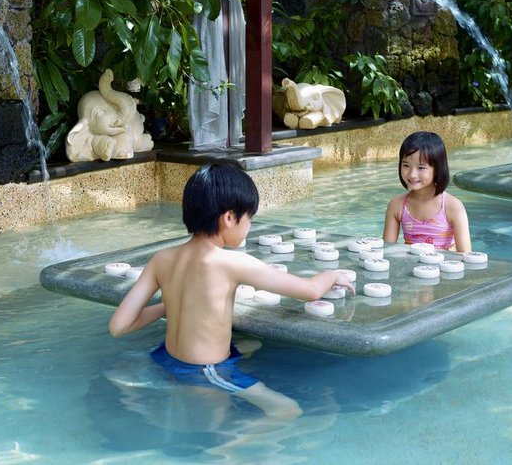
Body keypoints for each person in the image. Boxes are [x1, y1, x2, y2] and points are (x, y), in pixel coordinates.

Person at [108, 159, 355, 419]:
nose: (249, 225)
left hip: (165, 357)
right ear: (229, 218)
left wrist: (168, 305)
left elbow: (118, 326)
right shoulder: (231, 262)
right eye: (249, 217)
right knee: (286, 410)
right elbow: (311, 290)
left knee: (249, 345)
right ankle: (230, 445)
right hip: (204, 371)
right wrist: (330, 275)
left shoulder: (162, 259)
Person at [382, 131, 471, 252]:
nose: (412, 174)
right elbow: (386, 251)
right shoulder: (397, 205)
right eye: (406, 165)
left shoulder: (452, 207)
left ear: (437, 169)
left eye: (421, 167)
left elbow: (465, 255)